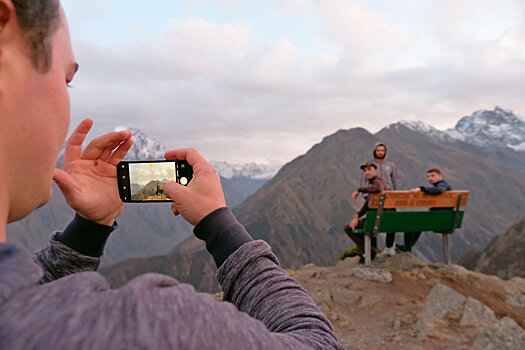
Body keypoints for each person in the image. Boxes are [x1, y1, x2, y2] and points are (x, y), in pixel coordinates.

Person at [0, 1, 344, 349]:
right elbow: (318, 342)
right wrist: (218, 222)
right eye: (66, 79)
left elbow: (29, 301)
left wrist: (90, 228)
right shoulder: (149, 327)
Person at [360, 143, 401, 256]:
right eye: (378, 150)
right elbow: (364, 181)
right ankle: (373, 249)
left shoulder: (391, 165)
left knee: (390, 222)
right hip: (374, 199)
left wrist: (395, 195)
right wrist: (366, 197)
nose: (380, 152)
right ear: (374, 151)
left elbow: (395, 180)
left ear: (385, 151)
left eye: (382, 150)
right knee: (372, 222)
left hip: (389, 199)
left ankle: (389, 247)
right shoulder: (369, 165)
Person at [397, 168, 452, 253]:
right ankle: (407, 247)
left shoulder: (443, 185)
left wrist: (422, 188)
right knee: (418, 224)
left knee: (410, 222)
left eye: (433, 176)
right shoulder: (443, 185)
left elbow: (440, 190)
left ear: (440, 176)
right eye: (428, 176)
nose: (430, 178)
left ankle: (407, 248)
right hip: (442, 218)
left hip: (438, 218)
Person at [344, 162, 386, 264]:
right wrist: (357, 216)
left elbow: (378, 188)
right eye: (365, 170)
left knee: (348, 228)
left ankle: (365, 253)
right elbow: (368, 205)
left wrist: (359, 189)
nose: (366, 172)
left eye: (369, 169)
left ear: (376, 171)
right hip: (382, 220)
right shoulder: (377, 184)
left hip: (375, 221)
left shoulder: (378, 183)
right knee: (366, 223)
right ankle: (371, 250)